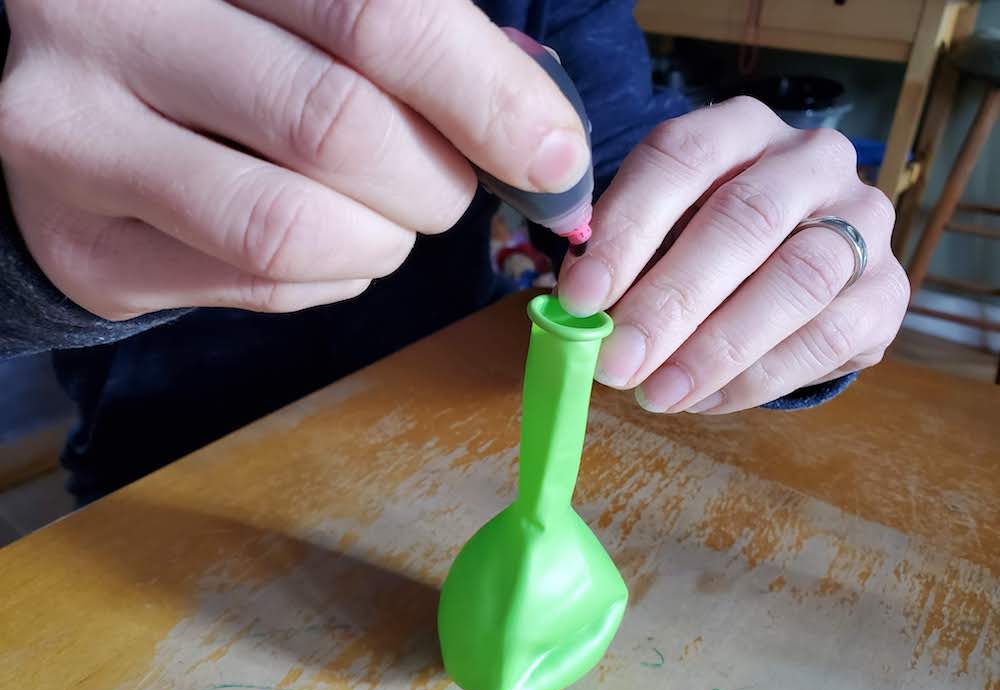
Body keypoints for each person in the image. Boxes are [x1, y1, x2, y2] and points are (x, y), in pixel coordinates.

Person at [0, 0, 908, 505]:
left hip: (453, 472)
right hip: (161, 480)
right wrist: (24, 265)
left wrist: (781, 248)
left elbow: (621, 157)